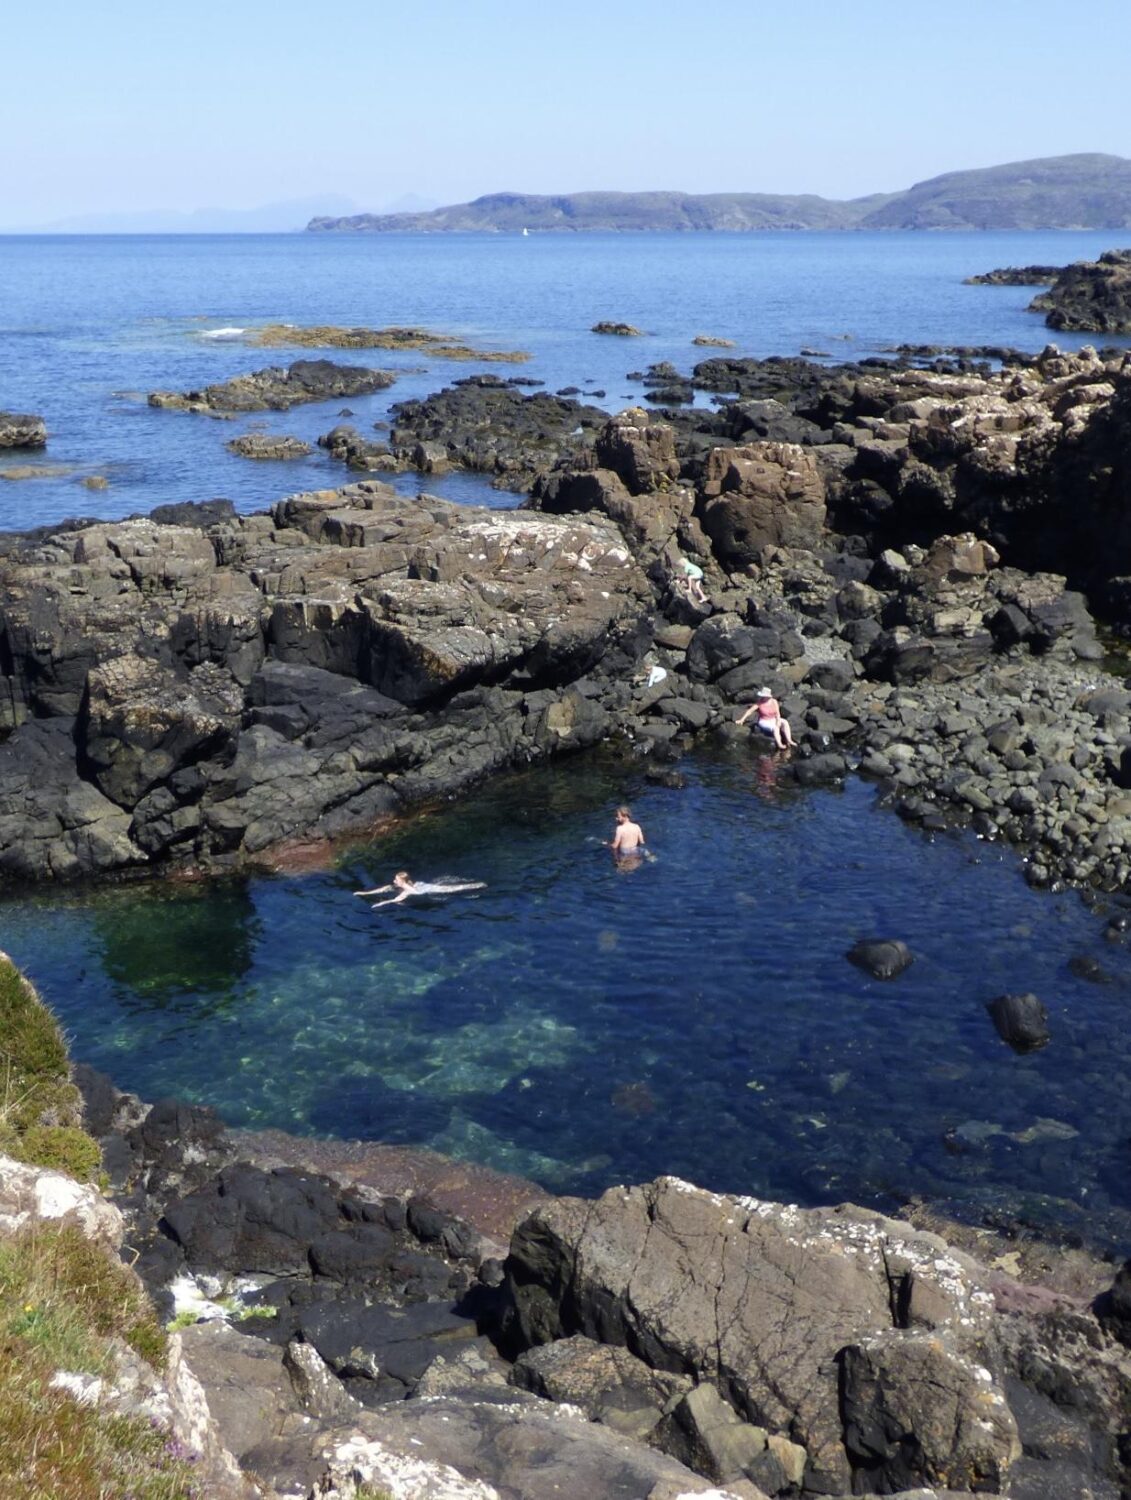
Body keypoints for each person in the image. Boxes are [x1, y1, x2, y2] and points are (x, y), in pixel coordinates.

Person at [354, 871, 485, 909]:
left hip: (428, 889)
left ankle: (478, 885)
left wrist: (381, 903)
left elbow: (396, 899)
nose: (394, 881)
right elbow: (384, 889)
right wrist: (364, 893)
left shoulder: (408, 891)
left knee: (452, 889)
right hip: (422, 885)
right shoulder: (400, 886)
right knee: (452, 887)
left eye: (397, 880)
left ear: (403, 882)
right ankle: (477, 885)